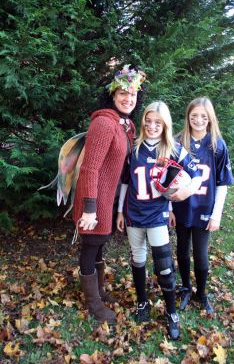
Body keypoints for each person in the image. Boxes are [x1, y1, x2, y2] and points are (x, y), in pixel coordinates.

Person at [116, 101, 202, 340]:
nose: (152, 126)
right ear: (143, 121)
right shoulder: (133, 148)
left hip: (157, 215)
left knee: (164, 264)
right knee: (138, 259)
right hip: (134, 213)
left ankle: (171, 311)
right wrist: (120, 212)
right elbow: (125, 181)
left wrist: (186, 192)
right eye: (148, 120)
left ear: (165, 124)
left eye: (158, 122)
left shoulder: (174, 148)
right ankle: (143, 302)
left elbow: (197, 176)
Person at [73, 64, 146, 324]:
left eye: (133, 94)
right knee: (91, 245)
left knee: (100, 242)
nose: (128, 98)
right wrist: (89, 208)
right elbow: (90, 168)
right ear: (112, 95)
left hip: (110, 196)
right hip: (96, 197)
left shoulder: (125, 125)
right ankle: (93, 302)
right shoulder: (104, 123)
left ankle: (100, 291)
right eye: (122, 93)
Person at [172, 97, 234, 315]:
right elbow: (169, 179)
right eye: (194, 115)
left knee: (200, 254)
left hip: (204, 208)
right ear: (188, 116)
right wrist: (170, 209)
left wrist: (216, 215)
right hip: (182, 207)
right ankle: (187, 288)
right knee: (181, 249)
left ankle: (202, 291)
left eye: (203, 116)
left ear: (210, 119)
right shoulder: (178, 142)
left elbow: (222, 183)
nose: (198, 120)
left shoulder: (217, 144)